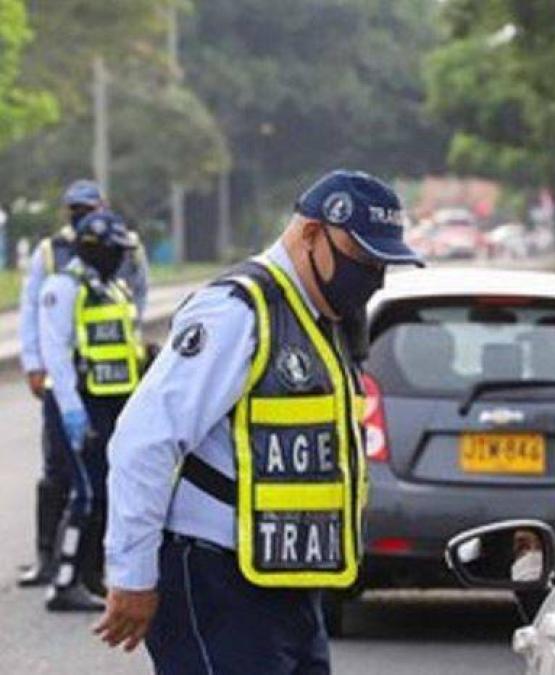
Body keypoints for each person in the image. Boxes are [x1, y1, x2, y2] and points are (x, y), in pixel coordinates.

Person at [93, 170, 423, 671]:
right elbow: (145, 441)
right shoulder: (238, 311)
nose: (373, 275)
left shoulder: (324, 320)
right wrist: (132, 574)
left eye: (383, 264)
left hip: (285, 583)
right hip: (213, 580)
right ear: (311, 233)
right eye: (363, 259)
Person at [17, 180, 148, 588]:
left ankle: (87, 573)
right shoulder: (58, 270)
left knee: (101, 490)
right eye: (74, 208)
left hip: (110, 400)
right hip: (77, 399)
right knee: (73, 485)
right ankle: (59, 571)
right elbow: (43, 326)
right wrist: (39, 369)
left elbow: (134, 314)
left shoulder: (115, 276)